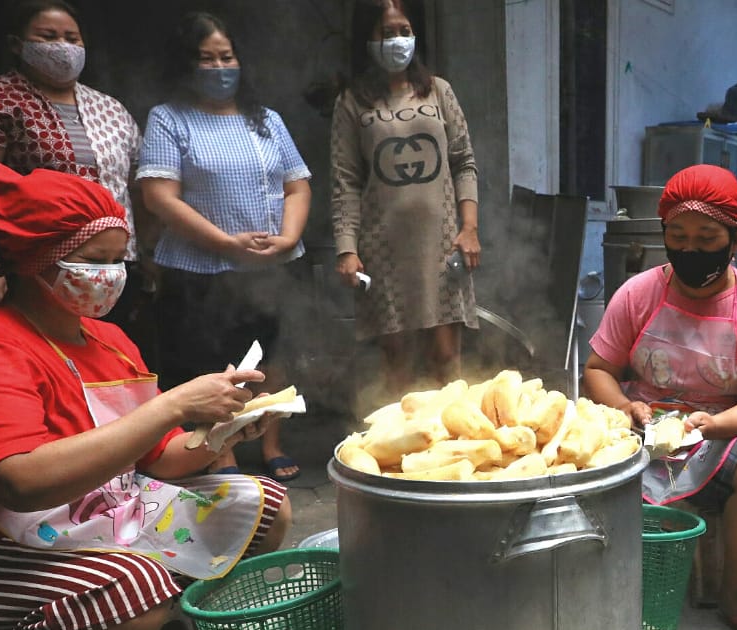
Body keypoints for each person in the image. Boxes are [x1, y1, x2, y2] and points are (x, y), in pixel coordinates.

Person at [0, 164, 291, 630]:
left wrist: (219, 429)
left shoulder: (110, 341)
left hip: (104, 515)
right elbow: (19, 480)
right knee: (136, 585)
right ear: (39, 262)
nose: (113, 275)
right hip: (8, 547)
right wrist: (173, 403)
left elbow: (156, 457)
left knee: (261, 507)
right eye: (95, 260)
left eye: (120, 259)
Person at [584, 164, 737, 630]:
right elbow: (597, 370)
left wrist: (714, 423)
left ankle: (736, 593)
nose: (691, 250)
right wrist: (624, 406)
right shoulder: (639, 292)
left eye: (707, 237)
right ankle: (601, 581)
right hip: (642, 426)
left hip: (722, 431)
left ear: (735, 237)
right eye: (677, 235)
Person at [138, 12, 310, 480]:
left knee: (273, 357)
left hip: (272, 264)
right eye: (206, 59)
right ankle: (221, 452)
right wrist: (224, 243)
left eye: (226, 56)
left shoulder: (266, 120)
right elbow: (158, 194)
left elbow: (297, 184)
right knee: (209, 363)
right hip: (198, 269)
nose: (219, 67)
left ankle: (272, 441)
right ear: (186, 65)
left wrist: (290, 237)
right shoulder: (169, 118)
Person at [0, 0, 153, 334]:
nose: (63, 47)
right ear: (16, 44)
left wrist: (144, 257)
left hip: (114, 267)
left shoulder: (110, 108)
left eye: (72, 38)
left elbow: (135, 187)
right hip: (39, 268)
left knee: (106, 353)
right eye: (48, 36)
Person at [331, 0, 481, 401]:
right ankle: (401, 453)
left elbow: (464, 162)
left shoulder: (438, 91)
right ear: (368, 39)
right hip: (382, 250)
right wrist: (347, 249)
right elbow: (345, 181)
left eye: (403, 31)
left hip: (443, 242)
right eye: (386, 33)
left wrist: (469, 229)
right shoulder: (352, 101)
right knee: (396, 360)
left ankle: (454, 443)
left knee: (446, 357)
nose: (397, 40)